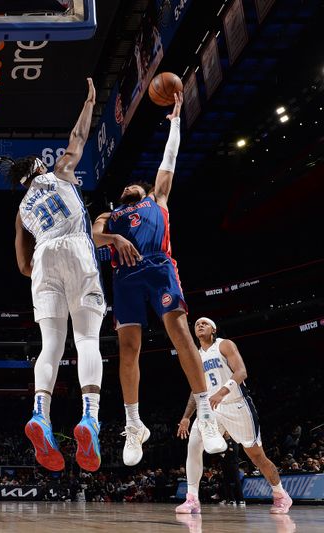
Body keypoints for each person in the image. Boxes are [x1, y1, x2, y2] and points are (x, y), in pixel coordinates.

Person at [92, 93, 227, 466]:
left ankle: (205, 413)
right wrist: (115, 238)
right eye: (126, 190)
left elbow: (170, 160)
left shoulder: (158, 199)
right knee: (129, 350)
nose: (130, 189)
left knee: (182, 336)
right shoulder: (110, 215)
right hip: (125, 277)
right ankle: (134, 425)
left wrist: (176, 122)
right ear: (122, 197)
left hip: (159, 268)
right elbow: (93, 235)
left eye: (135, 187)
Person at [13, 78, 105, 472]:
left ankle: (41, 414)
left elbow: (22, 263)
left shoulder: (21, 208)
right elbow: (78, 135)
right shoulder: (61, 171)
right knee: (86, 339)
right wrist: (89, 101)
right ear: (38, 167)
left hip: (43, 258)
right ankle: (90, 417)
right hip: (76, 248)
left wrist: (40, 271)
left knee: (50, 345)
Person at [175, 317, 292, 515]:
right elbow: (194, 390)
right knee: (194, 445)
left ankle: (281, 495)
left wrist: (221, 392)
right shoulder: (195, 355)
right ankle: (192, 498)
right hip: (210, 408)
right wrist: (186, 416)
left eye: (204, 323)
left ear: (213, 329)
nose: (199, 325)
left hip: (236, 404)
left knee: (256, 456)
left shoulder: (224, 345)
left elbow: (241, 372)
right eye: (196, 324)